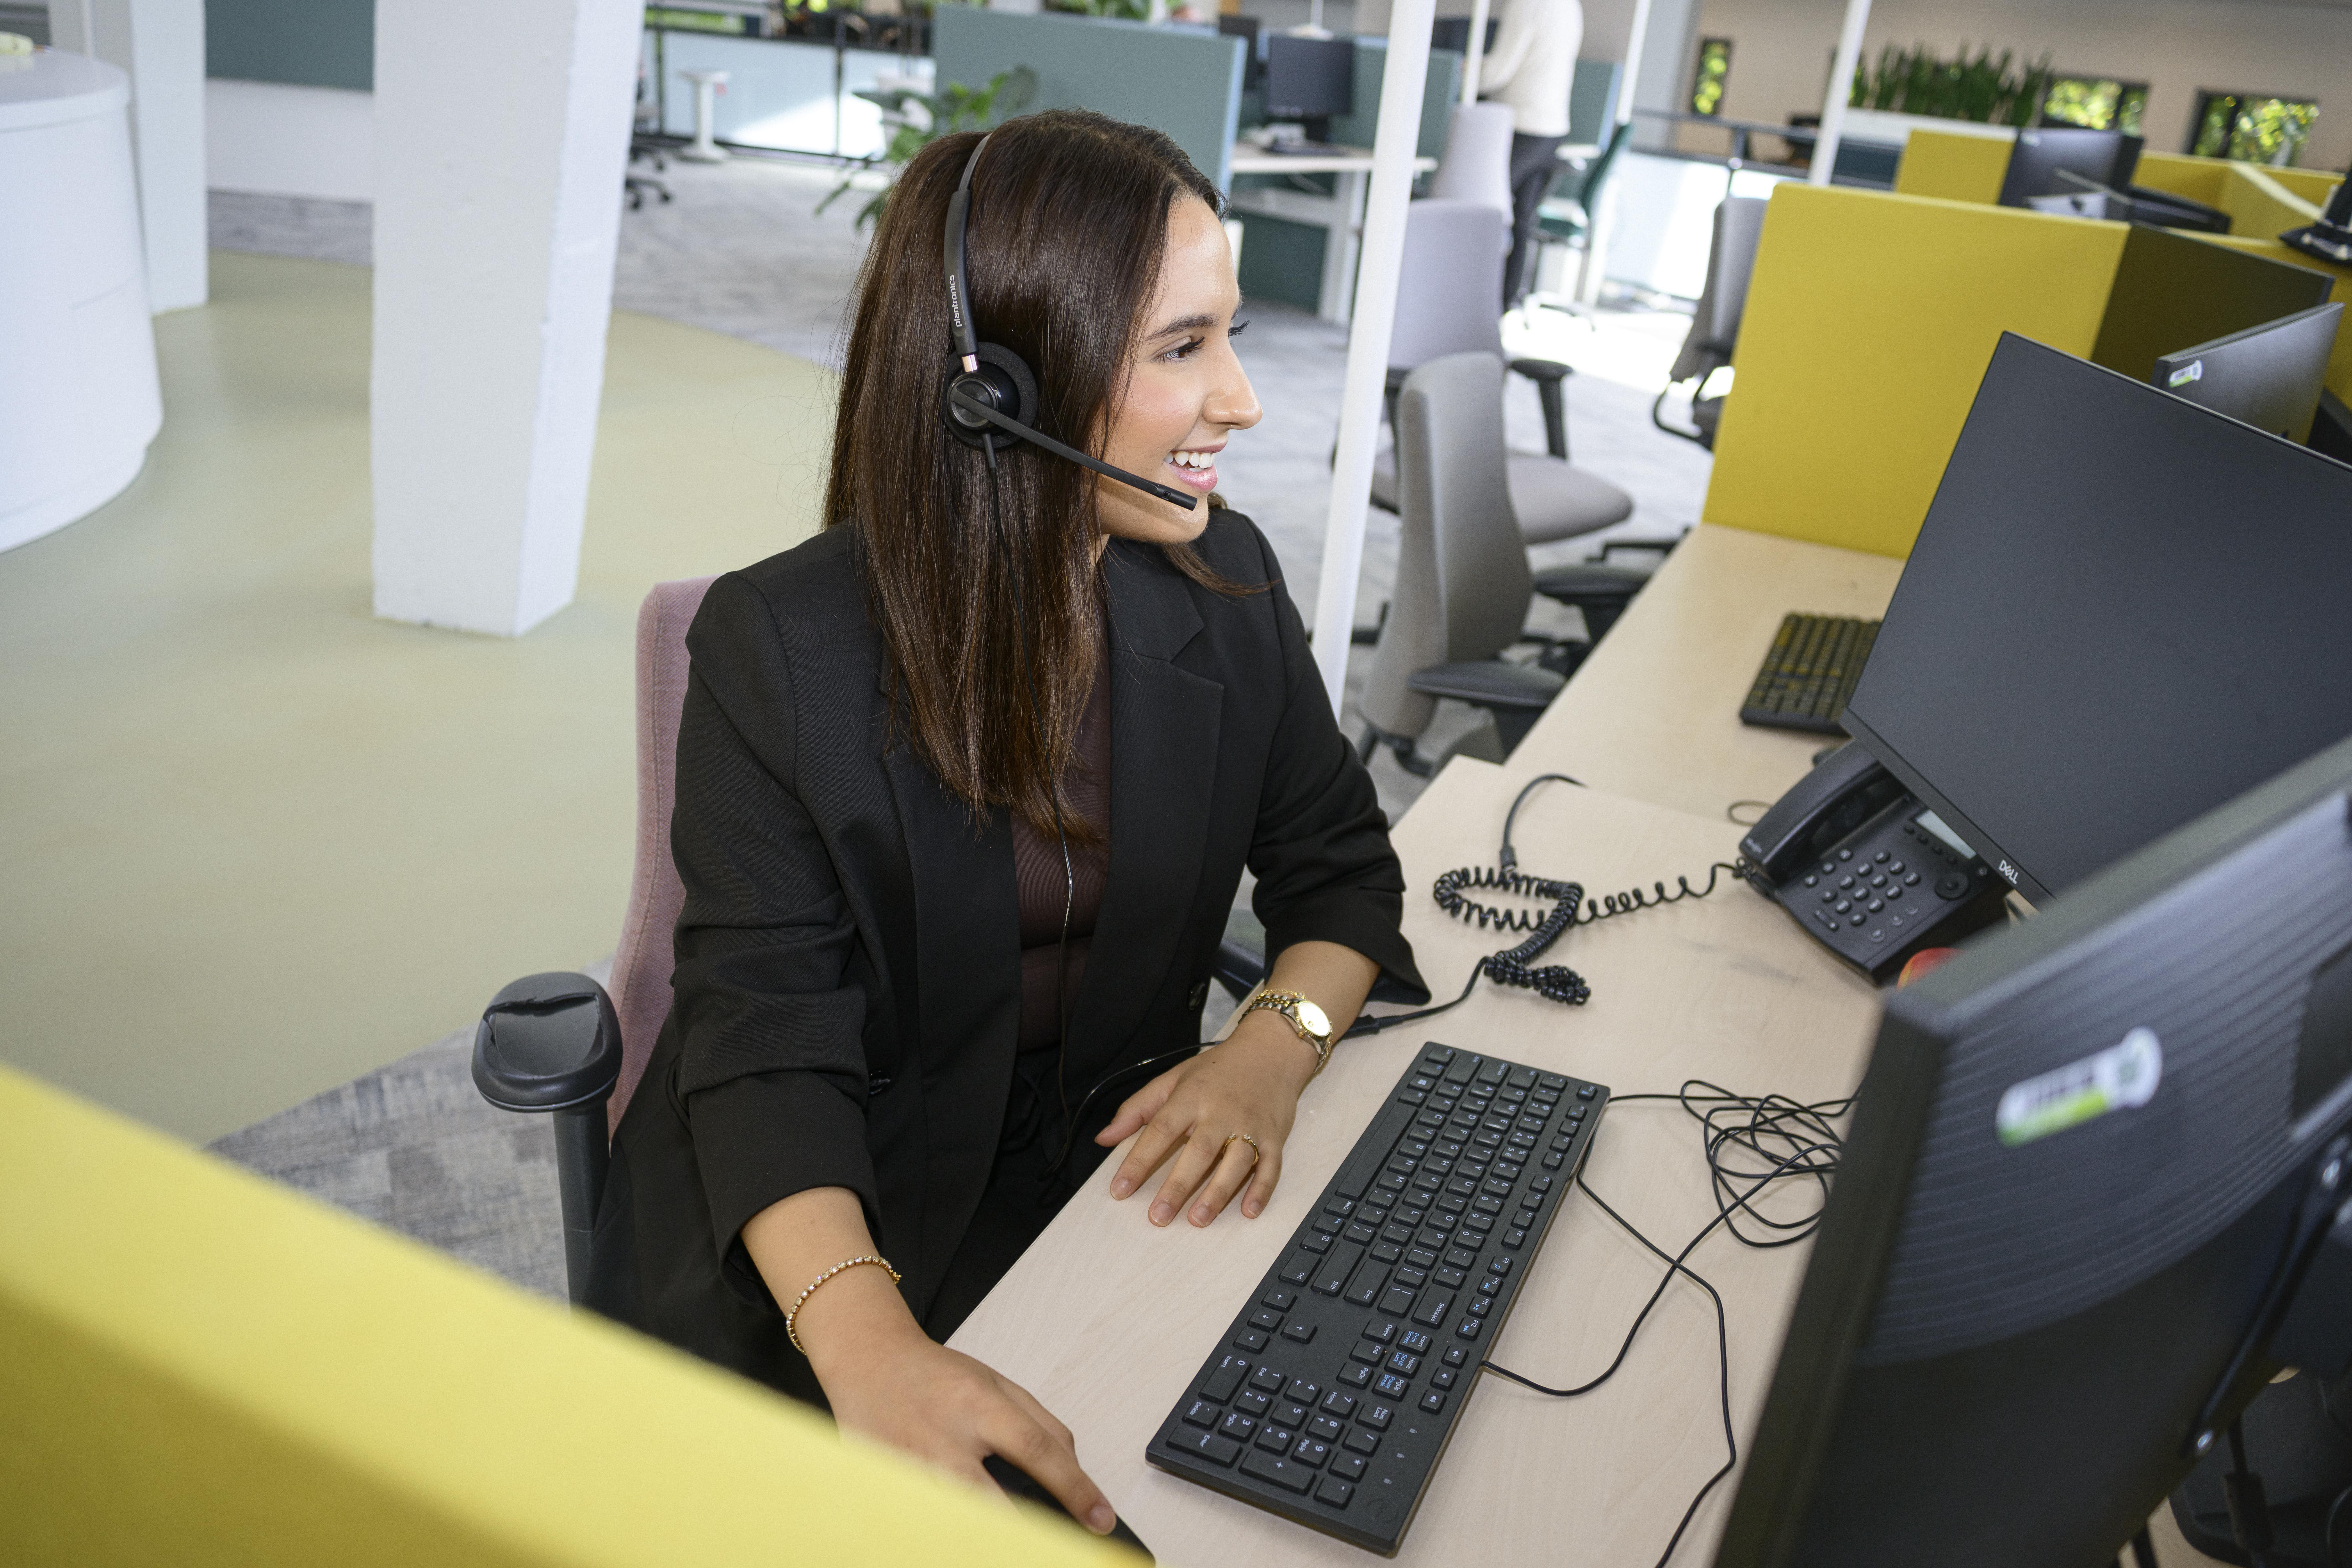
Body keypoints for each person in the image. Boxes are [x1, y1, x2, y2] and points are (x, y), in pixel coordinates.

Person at [585, 110, 1427, 1539]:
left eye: (1228, 337)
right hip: (829, 1213)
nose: (1240, 399)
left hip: (1094, 1174)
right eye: (1183, 347)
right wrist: (866, 1341)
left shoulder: (1222, 584)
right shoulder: (778, 648)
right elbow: (764, 1040)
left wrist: (1268, 1054)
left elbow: (1341, 875)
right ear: (997, 388)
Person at [1479, 0, 1584, 308]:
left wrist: (1464, 70)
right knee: (1522, 219)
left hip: (1520, 124)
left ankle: (1474, 303)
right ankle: (1504, 302)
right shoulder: (1570, 5)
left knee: (1487, 213)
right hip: (1552, 128)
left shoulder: (1526, 4)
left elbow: (1497, 73)